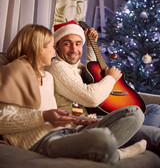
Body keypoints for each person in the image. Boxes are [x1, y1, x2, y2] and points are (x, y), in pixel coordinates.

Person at [0, 24, 146, 165]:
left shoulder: (47, 77)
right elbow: (2, 122)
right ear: (37, 48)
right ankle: (118, 154)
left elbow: (56, 111)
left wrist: (75, 119)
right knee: (102, 137)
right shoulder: (14, 72)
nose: (53, 52)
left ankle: (103, 151)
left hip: (68, 131)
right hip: (43, 142)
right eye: (51, 46)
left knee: (134, 112)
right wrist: (43, 116)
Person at [46, 20, 160, 156]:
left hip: (95, 119)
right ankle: (129, 138)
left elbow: (90, 73)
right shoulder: (58, 67)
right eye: (67, 43)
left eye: (78, 44)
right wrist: (111, 78)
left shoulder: (73, 66)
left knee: (154, 109)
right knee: (155, 134)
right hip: (82, 128)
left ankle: (132, 135)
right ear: (56, 47)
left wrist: (90, 46)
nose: (73, 49)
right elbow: (91, 98)